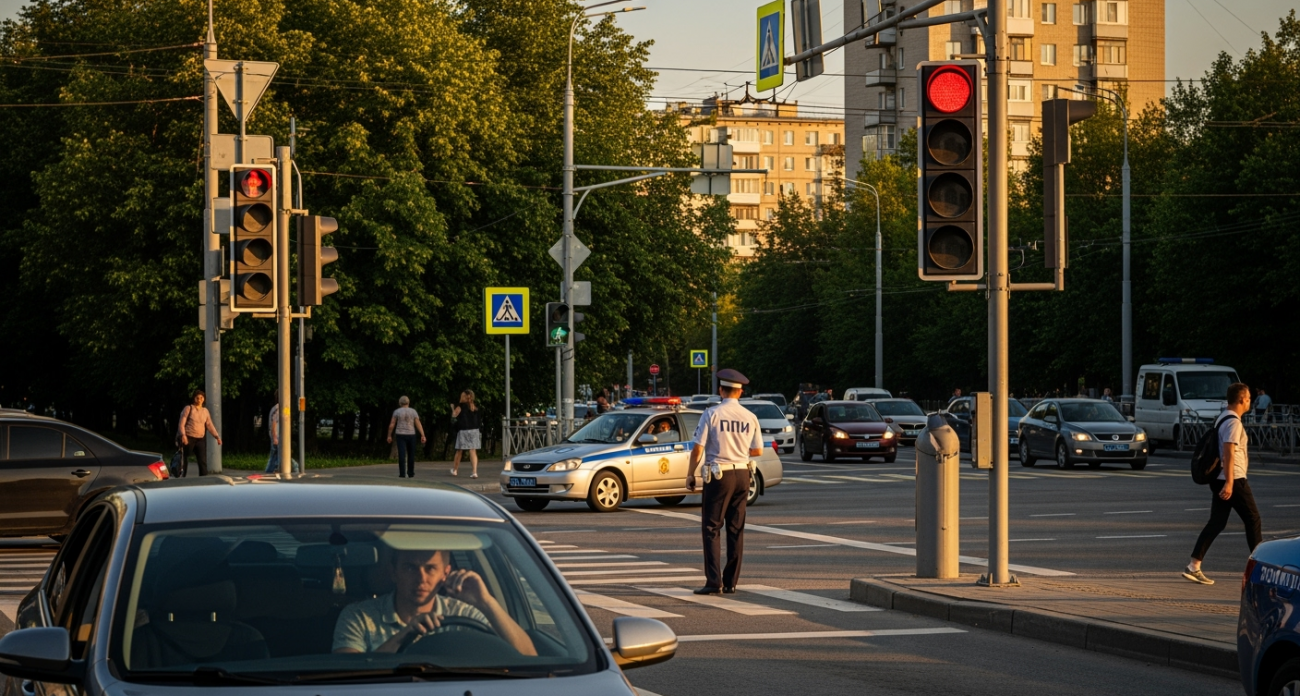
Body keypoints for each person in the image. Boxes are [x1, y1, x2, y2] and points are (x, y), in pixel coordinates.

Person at [332, 548, 536, 656]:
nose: (421, 579)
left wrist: (486, 602)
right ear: (393, 573)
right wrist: (406, 635)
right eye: (410, 568)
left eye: (430, 568)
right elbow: (344, 676)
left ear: (445, 574)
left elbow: (528, 658)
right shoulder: (358, 616)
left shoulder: (464, 615)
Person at [686, 368, 763, 596]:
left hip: (719, 475)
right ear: (740, 392)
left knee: (711, 527)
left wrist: (691, 474)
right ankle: (730, 582)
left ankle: (713, 581)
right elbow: (757, 449)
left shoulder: (711, 414)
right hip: (742, 475)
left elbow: (698, 447)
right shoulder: (750, 417)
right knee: (735, 529)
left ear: (721, 390)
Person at [1183, 382, 1262, 585]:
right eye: (1249, 399)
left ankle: (1194, 565)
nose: (1250, 402)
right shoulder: (1233, 422)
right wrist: (1229, 483)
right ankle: (1260, 568)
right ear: (1242, 399)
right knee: (1253, 519)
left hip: (1222, 479)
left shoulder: (1223, 417)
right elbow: (1228, 452)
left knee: (1217, 522)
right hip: (1233, 479)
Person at [177, 389, 221, 477]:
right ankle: (181, 476)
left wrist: (217, 436)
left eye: (201, 397)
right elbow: (181, 423)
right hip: (188, 437)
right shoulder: (188, 408)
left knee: (202, 460)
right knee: (184, 457)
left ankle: (203, 479)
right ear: (194, 398)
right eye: (197, 397)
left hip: (200, 438)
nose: (200, 399)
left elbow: (209, 425)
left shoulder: (205, 411)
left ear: (204, 399)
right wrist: (183, 435)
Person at [387, 396, 427, 478]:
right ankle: (411, 473)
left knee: (401, 454)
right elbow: (418, 423)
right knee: (411, 454)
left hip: (400, 434)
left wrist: (389, 435)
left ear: (400, 403)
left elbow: (392, 424)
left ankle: (402, 474)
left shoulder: (397, 412)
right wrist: (423, 435)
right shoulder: (413, 411)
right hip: (411, 434)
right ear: (408, 403)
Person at [451, 390, 481, 478]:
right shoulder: (474, 407)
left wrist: (453, 415)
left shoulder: (460, 407)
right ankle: (474, 472)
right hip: (474, 431)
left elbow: (453, 419)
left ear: (463, 397)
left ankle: (455, 470)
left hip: (463, 430)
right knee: (473, 451)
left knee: (459, 450)